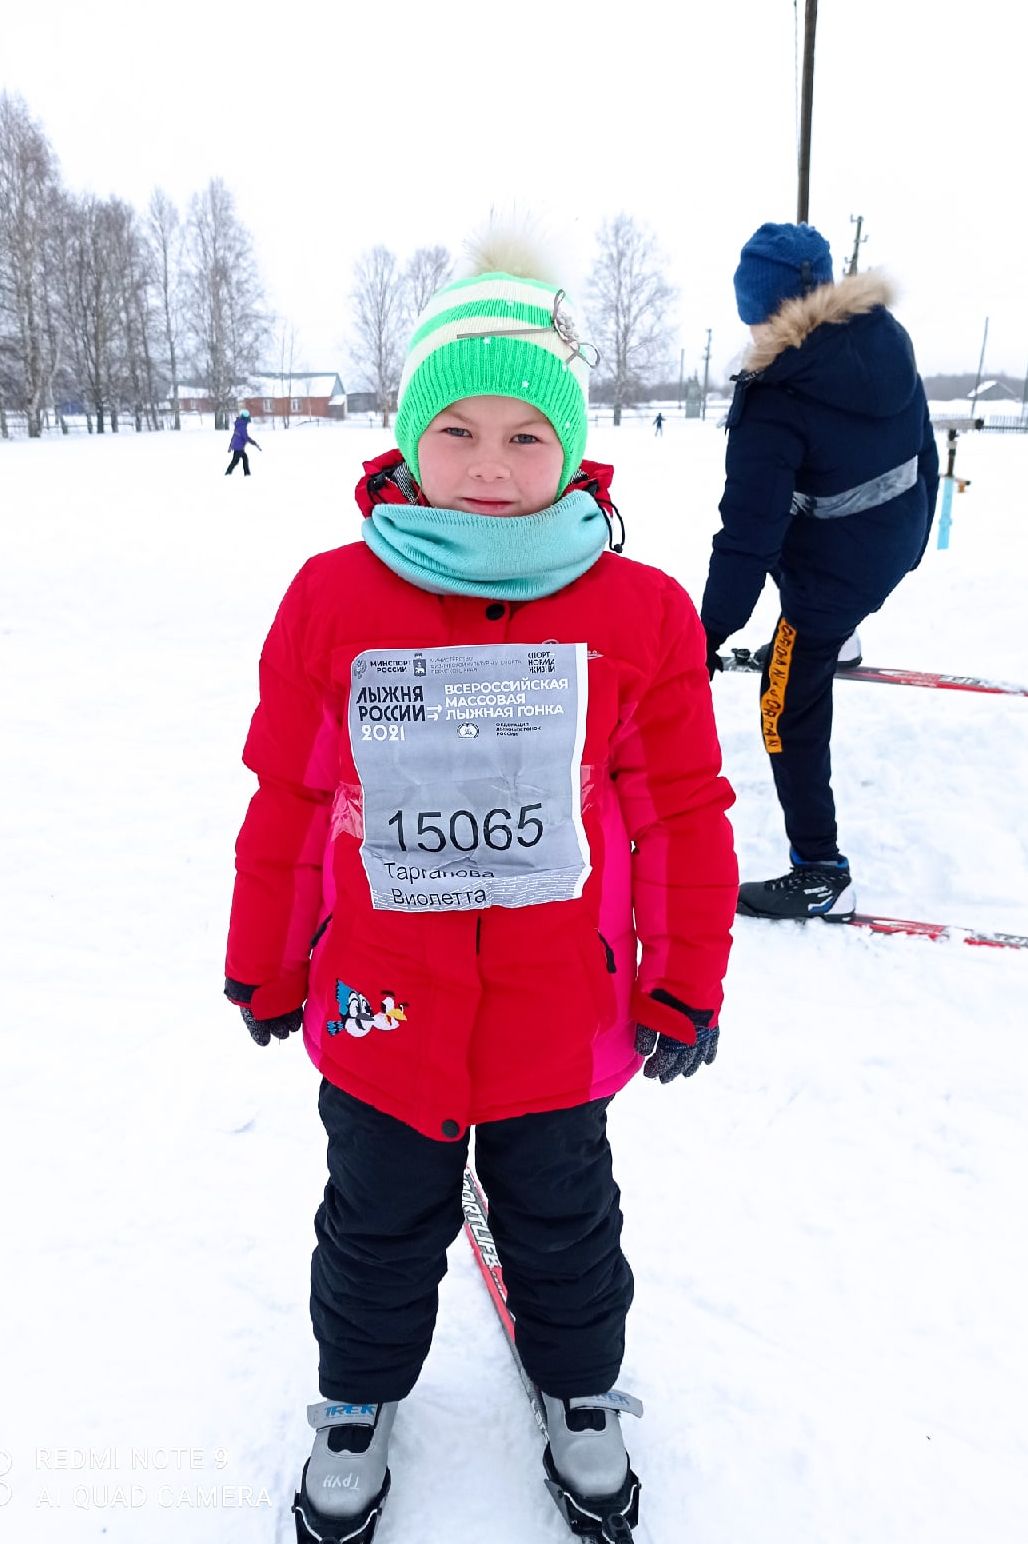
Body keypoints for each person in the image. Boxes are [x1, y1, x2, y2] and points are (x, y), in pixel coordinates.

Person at [223, 242, 738, 1544]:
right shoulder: (333, 597)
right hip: (384, 1004)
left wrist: (685, 975)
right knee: (375, 1224)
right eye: (456, 431)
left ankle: (580, 1390)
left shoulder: (639, 613)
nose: (491, 467)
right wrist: (266, 957)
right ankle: (355, 1400)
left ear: (571, 447)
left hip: (559, 1011)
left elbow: (680, 812)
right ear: (409, 438)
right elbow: (291, 797)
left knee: (564, 1224)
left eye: (525, 435)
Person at [700, 222, 939, 922]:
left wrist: (705, 635)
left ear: (758, 307)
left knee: (784, 705)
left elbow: (748, 537)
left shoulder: (776, 396)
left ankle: (820, 872)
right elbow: (922, 447)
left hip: (833, 578)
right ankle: (841, 634)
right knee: (816, 512)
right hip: (896, 539)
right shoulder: (883, 337)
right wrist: (909, 541)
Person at [225, 407, 260, 475]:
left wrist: (231, 446)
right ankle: (229, 472)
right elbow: (245, 437)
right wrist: (252, 442)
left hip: (237, 445)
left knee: (243, 458)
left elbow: (234, 437)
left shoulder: (239, 424)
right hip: (238, 447)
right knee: (236, 460)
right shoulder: (242, 426)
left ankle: (246, 473)